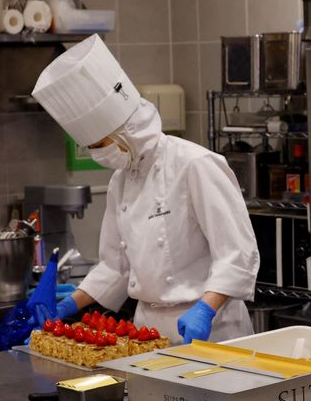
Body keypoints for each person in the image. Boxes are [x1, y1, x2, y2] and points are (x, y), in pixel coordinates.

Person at [30, 34, 259, 344]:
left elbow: (237, 253)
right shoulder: (121, 181)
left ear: (127, 132)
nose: (98, 154)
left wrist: (205, 309)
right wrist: (70, 304)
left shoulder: (195, 164)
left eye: (100, 144)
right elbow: (116, 267)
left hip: (212, 329)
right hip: (147, 332)